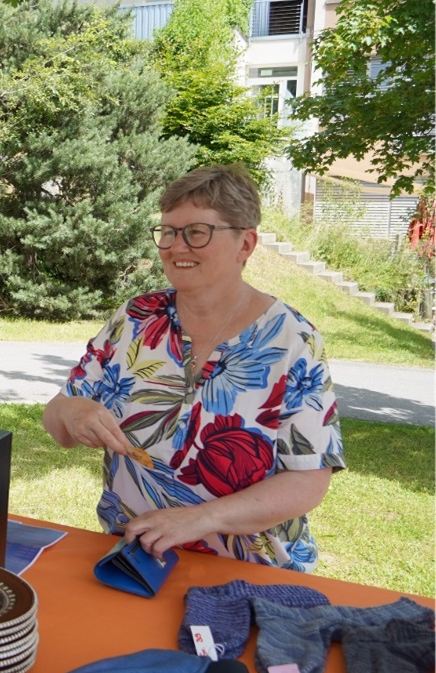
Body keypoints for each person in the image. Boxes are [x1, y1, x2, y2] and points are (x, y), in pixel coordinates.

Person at [42, 164, 344, 572]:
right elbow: (57, 419)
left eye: (196, 232)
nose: (175, 246)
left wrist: (199, 519)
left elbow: (308, 480)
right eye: (168, 231)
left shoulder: (292, 340)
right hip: (136, 560)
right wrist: (70, 412)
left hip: (251, 572)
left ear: (246, 244)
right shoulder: (135, 318)